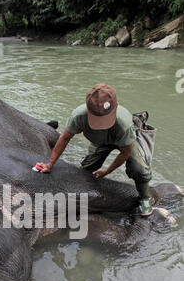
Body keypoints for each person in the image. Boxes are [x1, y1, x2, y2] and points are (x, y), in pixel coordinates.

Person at [36, 83, 153, 216]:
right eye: (98, 120)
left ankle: (145, 197)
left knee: (139, 169)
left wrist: (107, 171)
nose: (102, 124)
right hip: (100, 141)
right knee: (86, 169)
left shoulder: (123, 123)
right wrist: (50, 164)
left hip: (124, 140)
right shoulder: (79, 116)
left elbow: (125, 152)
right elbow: (64, 138)